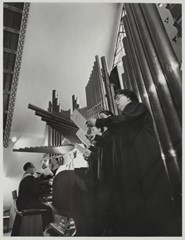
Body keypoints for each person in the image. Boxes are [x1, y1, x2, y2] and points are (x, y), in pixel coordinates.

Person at [86, 89, 181, 236]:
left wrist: (99, 121)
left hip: (147, 162)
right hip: (136, 166)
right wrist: (97, 138)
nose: (116, 102)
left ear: (129, 98)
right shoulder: (123, 119)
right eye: (115, 99)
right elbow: (113, 139)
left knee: (155, 203)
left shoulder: (137, 107)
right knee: (141, 207)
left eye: (118, 98)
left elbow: (123, 122)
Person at [11, 162, 53, 236]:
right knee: (48, 209)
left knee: (44, 205)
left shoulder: (26, 177)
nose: (35, 169)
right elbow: (37, 191)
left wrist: (44, 176)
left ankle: (44, 229)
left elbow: (36, 182)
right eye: (33, 167)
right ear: (29, 168)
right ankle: (45, 230)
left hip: (23, 203)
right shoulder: (28, 178)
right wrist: (50, 190)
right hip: (27, 204)